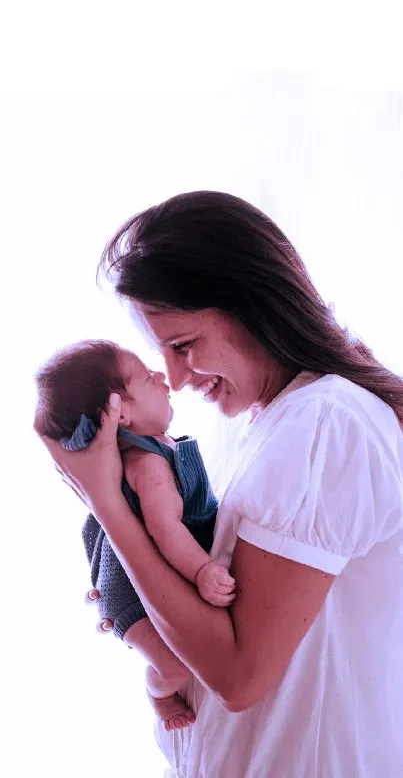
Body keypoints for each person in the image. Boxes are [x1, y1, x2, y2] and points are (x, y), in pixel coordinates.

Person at [38, 191, 403, 778]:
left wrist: (105, 501)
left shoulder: (324, 423)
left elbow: (238, 676)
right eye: (163, 354)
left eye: (184, 346)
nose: (177, 379)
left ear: (252, 305)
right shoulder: (275, 421)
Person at [34, 339, 235, 731]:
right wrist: (202, 571)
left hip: (140, 571)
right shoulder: (147, 465)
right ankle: (158, 693)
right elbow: (166, 532)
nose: (162, 376)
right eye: (146, 376)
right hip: (127, 592)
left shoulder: (158, 448)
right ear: (118, 412)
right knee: (175, 667)